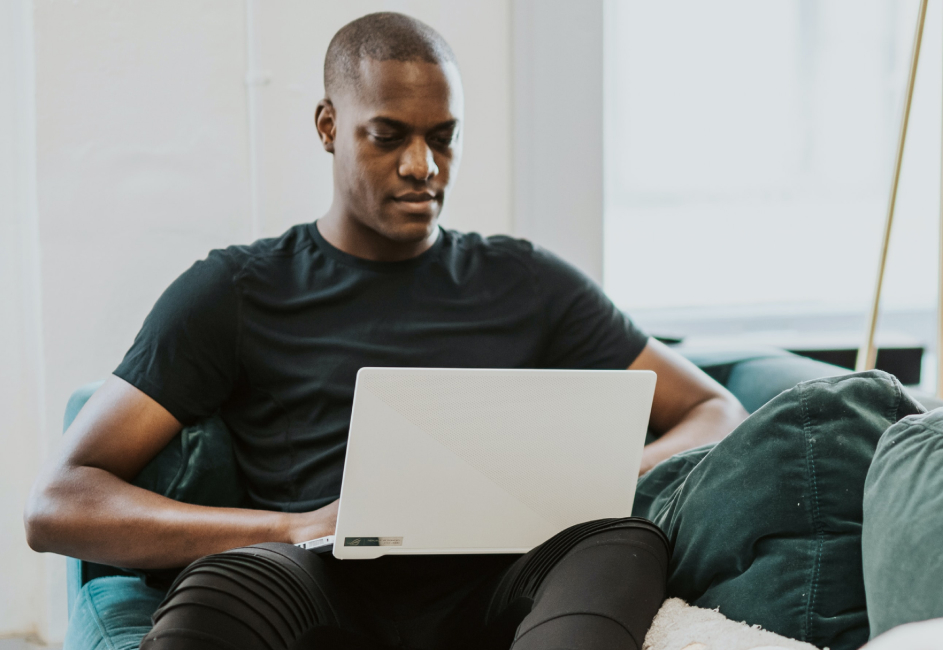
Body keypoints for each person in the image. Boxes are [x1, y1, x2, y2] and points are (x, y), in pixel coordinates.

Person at [24, 12, 748, 650]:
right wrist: (287, 528)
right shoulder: (236, 291)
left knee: (622, 543)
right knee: (222, 585)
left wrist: (608, 475)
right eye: (388, 137)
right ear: (329, 127)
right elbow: (58, 503)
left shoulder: (527, 282)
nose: (423, 167)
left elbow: (715, 410)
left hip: (500, 586)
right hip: (318, 575)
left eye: (444, 138)